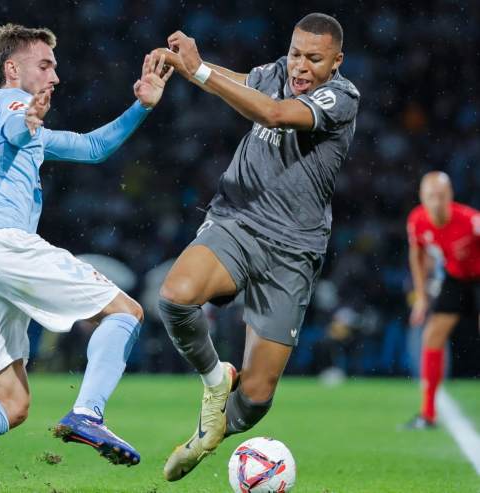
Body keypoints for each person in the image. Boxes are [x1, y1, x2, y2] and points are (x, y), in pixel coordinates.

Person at [0, 23, 173, 493]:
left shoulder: (11, 122)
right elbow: (16, 125)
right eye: (45, 65)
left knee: (12, 403)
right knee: (126, 312)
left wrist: (141, 107)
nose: (55, 76)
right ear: (12, 69)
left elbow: (93, 147)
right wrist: (27, 122)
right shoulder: (7, 104)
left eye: (55, 66)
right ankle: (88, 413)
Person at [153, 13, 360, 481]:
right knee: (175, 297)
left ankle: (209, 435)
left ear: (336, 62)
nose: (299, 67)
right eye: (294, 53)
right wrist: (194, 64)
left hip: (293, 251)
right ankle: (214, 379)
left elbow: (273, 113)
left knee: (259, 396)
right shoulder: (274, 74)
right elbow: (244, 82)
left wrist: (202, 73)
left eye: (314, 58)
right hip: (238, 220)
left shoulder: (341, 98)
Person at [404, 171, 479, 429]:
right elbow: (417, 256)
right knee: (432, 336)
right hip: (456, 277)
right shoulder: (417, 221)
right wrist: (422, 297)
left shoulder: (471, 220)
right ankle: (428, 414)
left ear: (450, 196)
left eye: (441, 195)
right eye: (431, 196)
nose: (436, 201)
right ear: (422, 197)